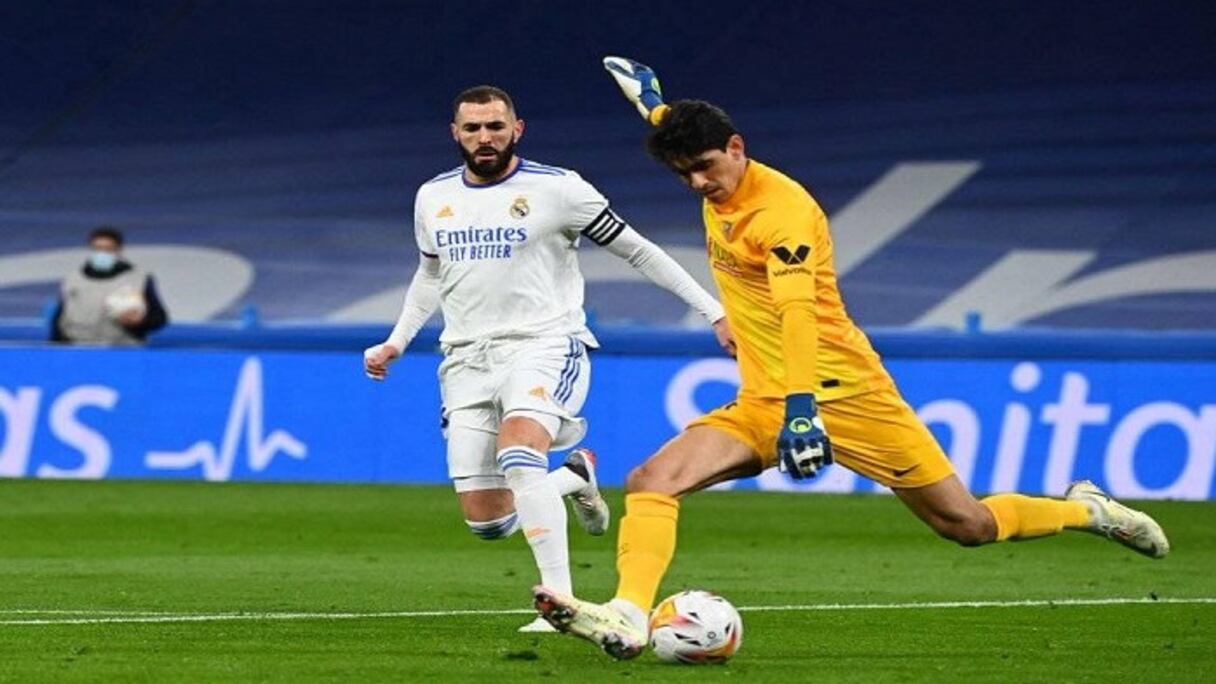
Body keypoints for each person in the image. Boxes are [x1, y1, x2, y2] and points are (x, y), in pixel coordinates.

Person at [532, 57, 1171, 659]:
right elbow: (670, 123)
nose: (699, 183)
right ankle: (628, 613)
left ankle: (1088, 510)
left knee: (967, 524)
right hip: (764, 398)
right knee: (652, 481)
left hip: (846, 393)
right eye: (683, 175)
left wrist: (805, 411)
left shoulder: (781, 215)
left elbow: (798, 312)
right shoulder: (705, 157)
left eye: (704, 166)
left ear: (737, 147)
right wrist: (650, 100)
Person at [362, 85, 731, 633]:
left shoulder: (559, 189)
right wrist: (397, 339)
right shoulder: (432, 197)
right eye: (472, 128)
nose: (484, 138)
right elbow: (430, 275)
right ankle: (576, 476)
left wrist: (713, 311)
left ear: (518, 129)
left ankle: (560, 603)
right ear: (455, 134)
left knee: (519, 452)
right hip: (465, 359)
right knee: (489, 523)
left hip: (544, 344)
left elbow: (639, 249)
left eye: (494, 126)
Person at [50, 226, 169, 346]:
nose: (102, 253)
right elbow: (60, 317)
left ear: (119, 250)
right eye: (97, 248)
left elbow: (159, 318)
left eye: (108, 249)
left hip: (122, 349)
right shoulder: (73, 279)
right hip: (78, 348)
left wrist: (140, 322)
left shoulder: (138, 278)